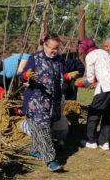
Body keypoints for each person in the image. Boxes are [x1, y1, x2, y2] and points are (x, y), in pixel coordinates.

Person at [20, 33, 77, 172]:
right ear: (44, 45)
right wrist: (26, 76)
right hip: (36, 101)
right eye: (52, 48)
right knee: (43, 129)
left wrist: (67, 76)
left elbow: (59, 77)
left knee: (43, 128)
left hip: (53, 102)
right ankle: (50, 160)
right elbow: (21, 76)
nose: (54, 51)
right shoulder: (35, 58)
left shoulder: (59, 60)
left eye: (56, 48)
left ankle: (34, 150)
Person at [75, 38, 110, 151]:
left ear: (84, 48)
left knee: (94, 112)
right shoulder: (104, 52)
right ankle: (105, 142)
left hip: (107, 86)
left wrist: (80, 83)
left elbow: (90, 78)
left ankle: (91, 140)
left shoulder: (90, 56)